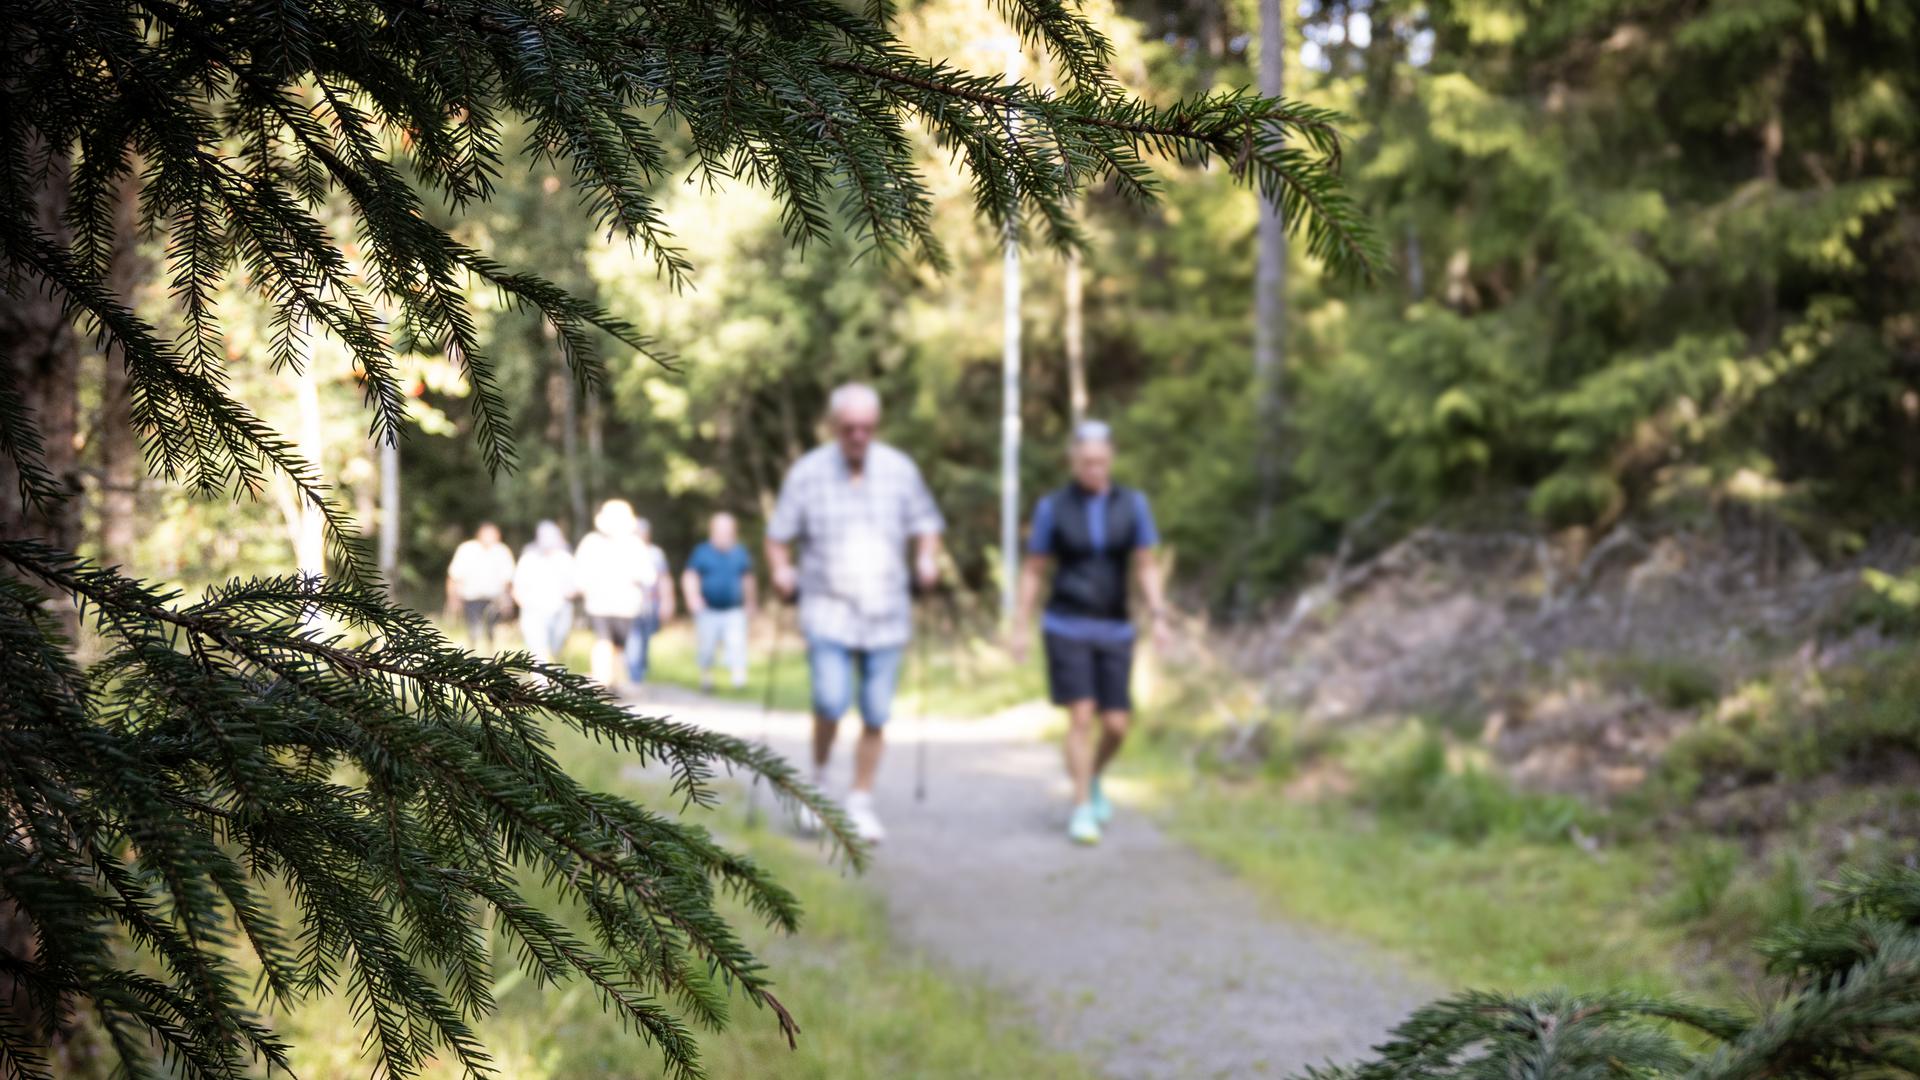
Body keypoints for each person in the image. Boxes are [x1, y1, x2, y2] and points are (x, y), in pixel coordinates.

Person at [767, 383, 944, 843]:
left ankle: (860, 800)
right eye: (849, 428)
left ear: (877, 427)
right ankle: (819, 785)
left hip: (887, 611)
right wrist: (782, 570)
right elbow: (777, 534)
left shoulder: (900, 470)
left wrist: (927, 559)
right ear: (833, 427)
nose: (859, 436)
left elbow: (927, 524)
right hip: (826, 608)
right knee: (829, 699)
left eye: (867, 428)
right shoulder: (807, 472)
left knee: (876, 711)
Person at [1009, 420, 1170, 846]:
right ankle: (1081, 807)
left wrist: (1159, 614)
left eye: (1101, 462)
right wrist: (1019, 625)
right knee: (1081, 715)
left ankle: (1093, 775)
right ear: (1073, 462)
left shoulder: (1132, 505)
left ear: (1111, 460)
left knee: (1116, 724)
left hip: (1115, 626)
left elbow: (1146, 564)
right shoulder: (1053, 507)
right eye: (1085, 463)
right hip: (1066, 623)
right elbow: (1034, 569)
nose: (1094, 469)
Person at [573, 499, 673, 691]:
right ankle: (602, 681)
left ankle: (613, 681)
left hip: (626, 606)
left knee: (618, 646)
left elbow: (648, 576)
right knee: (603, 641)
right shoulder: (592, 542)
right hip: (600, 604)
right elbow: (581, 572)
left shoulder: (634, 544)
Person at [682, 511, 757, 692]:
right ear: (712, 531)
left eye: (728, 530)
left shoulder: (740, 552)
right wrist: (693, 598)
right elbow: (690, 575)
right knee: (707, 647)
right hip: (708, 609)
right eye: (720, 530)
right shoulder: (702, 552)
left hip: (734, 610)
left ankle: (739, 681)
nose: (724, 534)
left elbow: (747, 578)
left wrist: (751, 602)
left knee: (737, 644)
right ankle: (706, 679)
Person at [512, 520, 577, 664]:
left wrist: (570, 593)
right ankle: (540, 683)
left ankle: (556, 676)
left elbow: (575, 586)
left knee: (556, 647)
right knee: (537, 648)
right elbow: (517, 586)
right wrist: (525, 605)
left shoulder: (565, 559)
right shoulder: (528, 558)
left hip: (560, 611)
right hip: (533, 611)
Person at [446, 522, 516, 649]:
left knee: (492, 630)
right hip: (471, 598)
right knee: (474, 629)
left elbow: (508, 579)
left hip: (494, 599)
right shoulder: (467, 549)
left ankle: (491, 656)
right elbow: (455, 576)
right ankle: (472, 654)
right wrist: (453, 598)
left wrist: (507, 601)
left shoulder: (502, 551)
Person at [623, 516, 676, 686]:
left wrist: (667, 600)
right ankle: (633, 675)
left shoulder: (655, 553)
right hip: (629, 604)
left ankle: (639, 670)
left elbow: (663, 578)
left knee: (644, 638)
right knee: (633, 638)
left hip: (650, 604)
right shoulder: (623, 551)